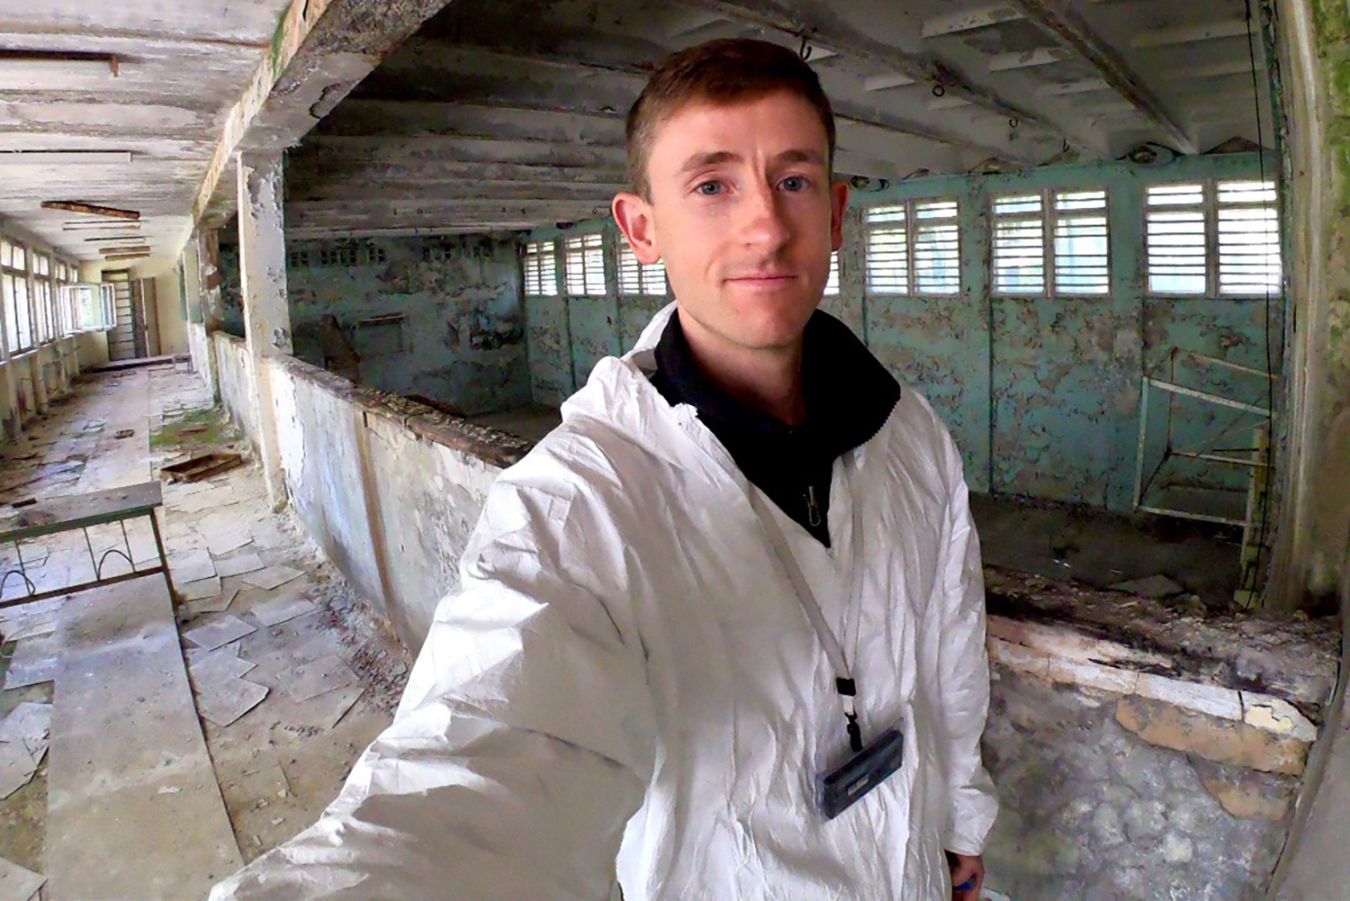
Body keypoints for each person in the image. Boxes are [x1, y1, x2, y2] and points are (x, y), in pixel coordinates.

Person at [210, 37, 997, 901]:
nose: (766, 225)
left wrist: (958, 816)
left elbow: (949, 643)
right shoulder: (579, 502)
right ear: (641, 229)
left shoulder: (910, 434)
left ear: (837, 214)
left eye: (795, 181)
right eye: (712, 185)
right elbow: (478, 762)